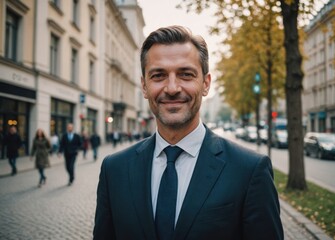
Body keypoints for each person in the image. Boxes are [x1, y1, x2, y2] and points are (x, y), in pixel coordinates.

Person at [93, 26, 283, 239]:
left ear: (205, 83)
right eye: (158, 75)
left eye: (185, 74)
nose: (172, 88)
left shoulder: (249, 171)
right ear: (144, 86)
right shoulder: (114, 169)